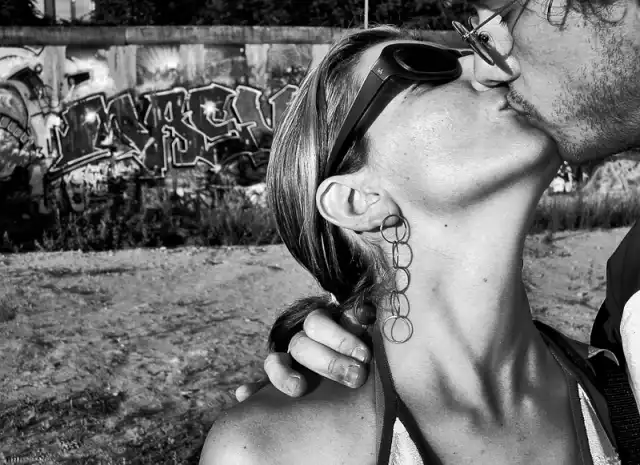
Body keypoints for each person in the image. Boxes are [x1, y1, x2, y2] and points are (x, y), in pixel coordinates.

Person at [199, 26, 622, 465]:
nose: (492, 67)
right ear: (356, 200)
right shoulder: (270, 451)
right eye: (424, 68)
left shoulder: (628, 379)